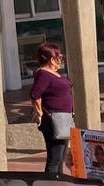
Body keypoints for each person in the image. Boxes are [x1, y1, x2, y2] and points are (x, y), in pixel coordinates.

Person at [29, 41, 73, 176]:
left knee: (61, 155)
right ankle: (49, 183)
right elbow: (35, 94)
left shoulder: (54, 73)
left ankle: (57, 180)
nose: (61, 59)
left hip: (64, 118)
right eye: (59, 56)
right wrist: (39, 112)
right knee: (55, 156)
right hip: (53, 119)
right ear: (51, 58)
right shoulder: (44, 74)